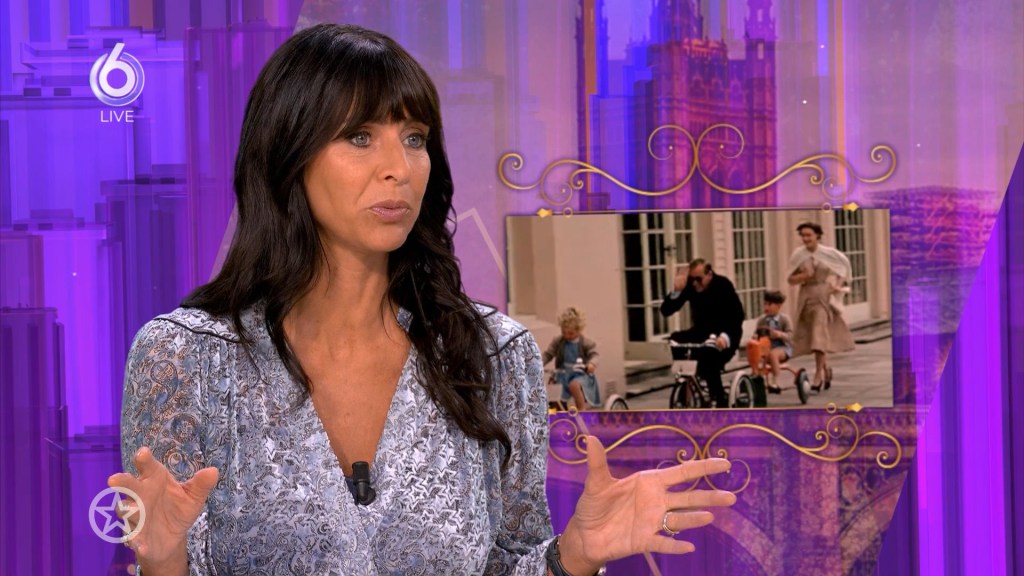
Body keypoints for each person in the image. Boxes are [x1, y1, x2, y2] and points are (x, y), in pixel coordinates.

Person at [106, 24, 735, 576]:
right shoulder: (187, 358)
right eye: (360, 137)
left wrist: (571, 558)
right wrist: (162, 563)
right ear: (288, 155)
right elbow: (168, 556)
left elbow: (509, 563)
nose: (400, 168)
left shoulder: (495, 355)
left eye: (414, 137)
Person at [660, 258, 745, 408]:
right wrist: (676, 292)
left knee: (710, 360)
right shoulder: (691, 286)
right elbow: (666, 311)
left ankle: (718, 398)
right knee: (676, 340)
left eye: (698, 279)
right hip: (701, 332)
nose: (695, 283)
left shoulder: (723, 285)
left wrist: (724, 337)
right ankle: (686, 387)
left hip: (726, 333)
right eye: (692, 279)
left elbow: (737, 315)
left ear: (709, 274)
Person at [787, 221, 855, 391]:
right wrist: (804, 275)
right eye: (803, 235)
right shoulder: (798, 255)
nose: (805, 239)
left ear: (817, 235)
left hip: (823, 296)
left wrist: (837, 285)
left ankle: (818, 375)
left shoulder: (828, 253)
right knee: (813, 336)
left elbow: (843, 269)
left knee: (819, 334)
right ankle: (826, 368)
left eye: (808, 235)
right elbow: (790, 280)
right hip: (806, 296)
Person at [542, 307, 601, 410]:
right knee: (552, 390)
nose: (566, 336)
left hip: (581, 374)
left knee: (574, 386)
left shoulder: (586, 342)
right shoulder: (559, 341)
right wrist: (538, 363)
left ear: (579, 330)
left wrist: (591, 364)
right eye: (563, 332)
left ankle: (581, 410)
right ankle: (558, 411)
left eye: (570, 333)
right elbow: (548, 354)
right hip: (562, 374)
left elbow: (594, 354)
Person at [745, 290, 794, 393]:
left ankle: (775, 381)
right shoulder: (762, 320)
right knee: (753, 350)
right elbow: (757, 333)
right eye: (765, 304)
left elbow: (790, 336)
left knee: (773, 354)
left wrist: (780, 334)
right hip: (766, 347)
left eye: (770, 304)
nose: (766, 307)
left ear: (778, 306)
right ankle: (755, 375)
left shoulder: (784, 319)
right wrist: (755, 337)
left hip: (782, 347)